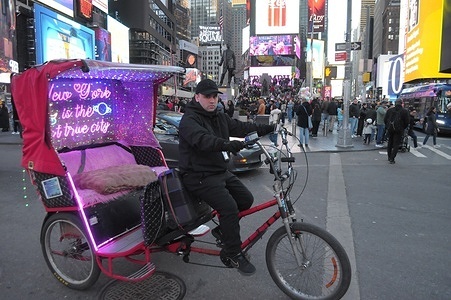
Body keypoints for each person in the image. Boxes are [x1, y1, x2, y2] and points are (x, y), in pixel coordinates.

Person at [178, 79, 274, 276]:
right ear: (197, 97)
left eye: (215, 96)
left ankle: (223, 230)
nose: (212, 100)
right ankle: (232, 253)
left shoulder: (219, 117)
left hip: (218, 171)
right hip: (198, 175)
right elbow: (203, 140)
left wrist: (266, 128)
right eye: (207, 96)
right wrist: (226, 145)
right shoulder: (189, 120)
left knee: (246, 200)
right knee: (228, 208)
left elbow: (239, 127)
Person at [384, 99, 409, 164]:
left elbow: (385, 119)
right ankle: (392, 158)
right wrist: (403, 127)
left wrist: (388, 126)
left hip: (390, 128)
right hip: (399, 129)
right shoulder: (404, 111)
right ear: (401, 103)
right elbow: (407, 122)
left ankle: (389, 157)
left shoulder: (390, 110)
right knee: (396, 144)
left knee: (390, 142)